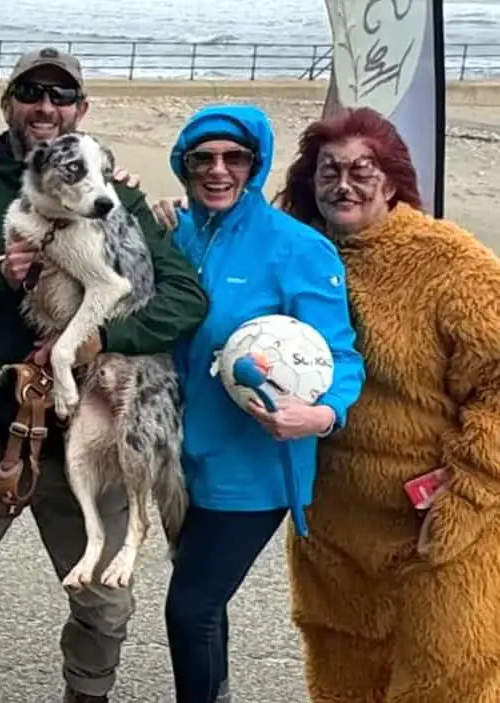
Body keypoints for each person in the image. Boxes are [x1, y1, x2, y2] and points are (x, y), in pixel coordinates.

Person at [0, 47, 209, 703]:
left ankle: (89, 693)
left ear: (81, 110)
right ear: (8, 103)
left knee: (105, 602)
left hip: (91, 431)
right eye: (31, 92)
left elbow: (186, 297)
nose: (46, 105)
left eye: (61, 95)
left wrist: (106, 336)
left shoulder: (115, 196)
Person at [275, 107, 500, 702]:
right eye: (329, 172)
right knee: (342, 676)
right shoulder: (295, 250)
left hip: (433, 525)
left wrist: (469, 492)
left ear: (393, 180)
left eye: (361, 171)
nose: (343, 185)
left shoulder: (452, 264)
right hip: (332, 525)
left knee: (449, 674)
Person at [151, 104, 364, 703]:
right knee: (206, 600)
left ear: (256, 164)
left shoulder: (299, 249)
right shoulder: (179, 234)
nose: (218, 171)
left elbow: (341, 358)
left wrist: (321, 415)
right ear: (185, 165)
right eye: (203, 159)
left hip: (255, 468)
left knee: (189, 607)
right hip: (182, 459)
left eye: (234, 158)